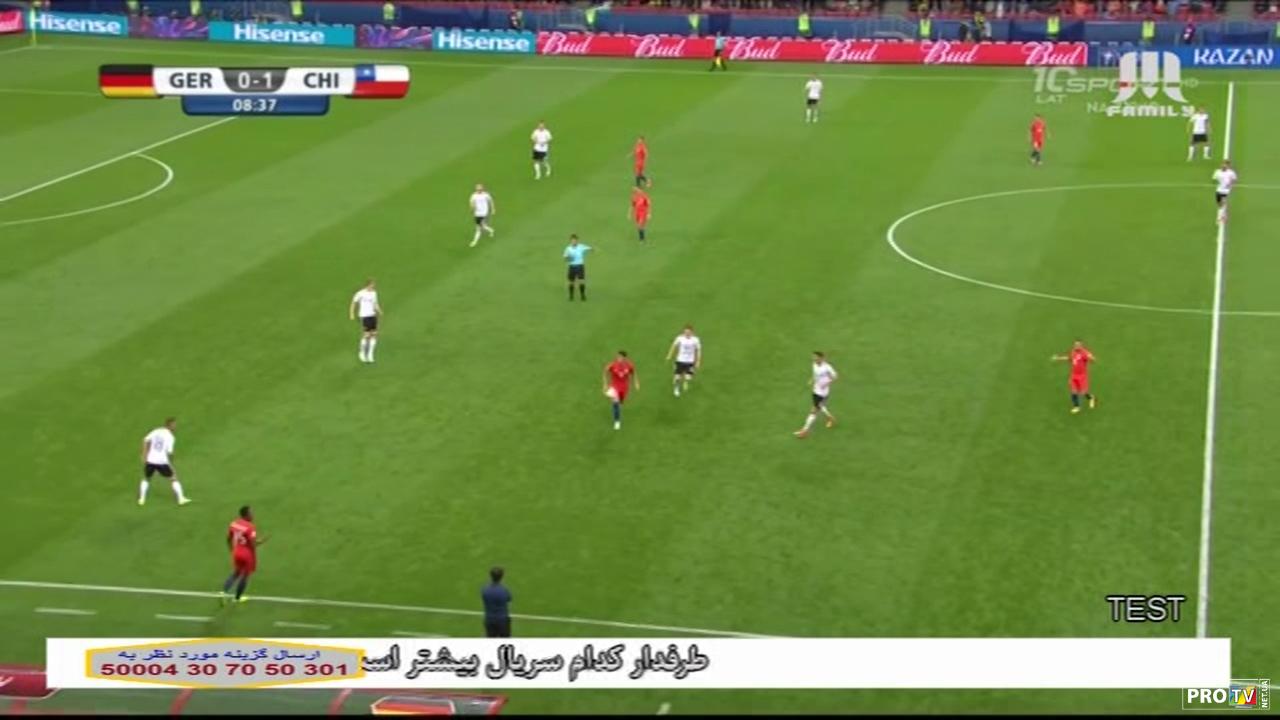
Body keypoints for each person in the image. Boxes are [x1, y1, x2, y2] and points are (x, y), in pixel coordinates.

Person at [138, 417, 190, 506]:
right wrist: (171, 464)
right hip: (162, 462)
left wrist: (144, 454)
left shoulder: (156, 431)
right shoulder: (170, 437)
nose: (175, 427)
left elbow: (145, 440)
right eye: (174, 425)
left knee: (147, 478)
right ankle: (181, 499)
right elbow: (170, 453)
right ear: (169, 425)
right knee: (173, 478)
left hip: (150, 460)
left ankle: (142, 499)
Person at [221, 505, 265, 604]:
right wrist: (260, 542)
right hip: (247, 554)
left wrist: (231, 550)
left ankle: (223, 592)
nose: (253, 515)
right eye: (251, 513)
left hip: (237, 552)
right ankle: (237, 598)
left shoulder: (234, 523)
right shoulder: (250, 527)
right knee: (245, 576)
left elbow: (228, 538)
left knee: (236, 573)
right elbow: (252, 545)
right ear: (246, 515)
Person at [794, 352, 837, 438]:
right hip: (816, 389)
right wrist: (812, 379)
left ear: (822, 358)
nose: (814, 359)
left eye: (816, 358)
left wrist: (826, 384)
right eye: (813, 357)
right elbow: (815, 375)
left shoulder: (827, 367)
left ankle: (805, 431)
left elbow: (835, 376)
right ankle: (831, 418)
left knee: (814, 410)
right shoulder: (814, 365)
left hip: (823, 392)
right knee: (820, 406)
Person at [1052, 340, 1096, 414]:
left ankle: (1092, 398)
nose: (1076, 346)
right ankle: (1076, 407)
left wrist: (1091, 358)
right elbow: (1068, 358)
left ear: (1081, 346)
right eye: (1075, 345)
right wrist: (1058, 358)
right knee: (1073, 392)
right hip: (1074, 375)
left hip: (1082, 376)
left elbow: (1093, 360)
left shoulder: (1084, 353)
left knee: (1083, 392)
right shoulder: (1073, 352)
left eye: (1078, 345)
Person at [349, 278, 382, 364]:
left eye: (374, 286)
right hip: (364, 316)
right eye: (372, 285)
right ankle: (362, 353)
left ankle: (370, 354)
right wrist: (351, 313)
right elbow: (353, 303)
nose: (373, 287)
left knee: (374, 334)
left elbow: (375, 303)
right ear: (368, 285)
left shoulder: (374, 293)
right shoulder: (360, 293)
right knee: (366, 335)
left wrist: (379, 310)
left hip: (372, 315)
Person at [603, 350, 639, 430]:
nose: (618, 358)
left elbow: (633, 373)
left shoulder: (629, 366)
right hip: (614, 386)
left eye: (620, 357)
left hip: (624, 388)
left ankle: (617, 400)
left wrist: (636, 382)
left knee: (620, 402)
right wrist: (605, 384)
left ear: (624, 358)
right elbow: (605, 371)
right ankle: (617, 421)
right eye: (618, 356)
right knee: (615, 403)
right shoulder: (613, 365)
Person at [665, 325, 702, 397]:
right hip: (680, 360)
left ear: (692, 332)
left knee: (688, 377)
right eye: (685, 332)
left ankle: (685, 381)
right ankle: (676, 388)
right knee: (677, 377)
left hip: (690, 361)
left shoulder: (696, 340)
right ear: (683, 332)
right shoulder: (679, 338)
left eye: (688, 332)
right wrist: (669, 355)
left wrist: (698, 361)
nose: (687, 334)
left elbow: (699, 350)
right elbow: (673, 346)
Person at [482, 567, 512, 638]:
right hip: (502, 620)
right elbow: (508, 600)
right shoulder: (504, 590)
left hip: (490, 620)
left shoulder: (485, 590)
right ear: (501, 577)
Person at [563, 234, 592, 301]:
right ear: (570, 241)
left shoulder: (581, 246)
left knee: (581, 281)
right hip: (572, 267)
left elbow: (588, 248)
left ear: (577, 241)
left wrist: (592, 249)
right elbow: (565, 258)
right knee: (571, 282)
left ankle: (582, 295)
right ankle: (571, 296)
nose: (574, 242)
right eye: (572, 241)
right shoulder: (568, 248)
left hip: (580, 266)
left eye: (575, 240)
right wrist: (570, 258)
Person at [1212, 159, 1237, 225]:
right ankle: (1224, 215)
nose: (1224, 165)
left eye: (1226, 164)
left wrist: (1230, 184)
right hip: (1218, 190)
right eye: (1223, 164)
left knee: (1223, 203)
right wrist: (1217, 182)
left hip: (1226, 190)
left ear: (1228, 166)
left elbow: (1234, 179)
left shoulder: (1231, 172)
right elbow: (1213, 180)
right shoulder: (1217, 171)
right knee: (1219, 204)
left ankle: (1219, 218)